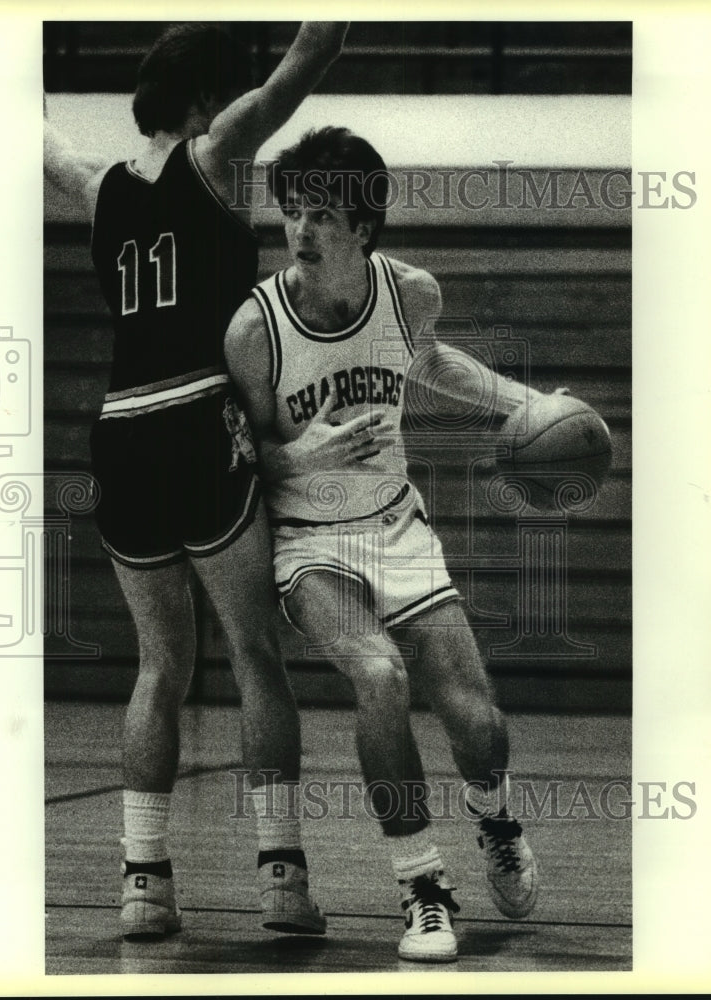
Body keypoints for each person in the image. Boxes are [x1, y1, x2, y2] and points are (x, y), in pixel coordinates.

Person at [43, 22, 348, 940]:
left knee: (159, 666)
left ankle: (144, 882)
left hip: (121, 430)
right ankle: (283, 881)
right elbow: (314, 53)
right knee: (256, 652)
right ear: (207, 102)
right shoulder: (216, 156)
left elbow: (41, 145)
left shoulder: (97, 192)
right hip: (195, 418)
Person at [224, 126, 542, 963]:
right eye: (294, 212)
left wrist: (526, 404)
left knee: (477, 722)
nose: (301, 231)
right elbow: (240, 453)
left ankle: (497, 820)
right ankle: (422, 887)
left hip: (397, 526)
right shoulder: (256, 329)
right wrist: (303, 453)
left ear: (364, 227)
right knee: (379, 675)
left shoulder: (410, 295)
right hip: (309, 542)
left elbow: (432, 360)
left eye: (323, 215)